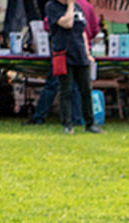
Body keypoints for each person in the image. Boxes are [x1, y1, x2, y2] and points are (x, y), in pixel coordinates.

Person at [44, 0, 99, 133]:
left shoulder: (78, 7)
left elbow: (83, 32)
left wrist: (87, 53)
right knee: (66, 91)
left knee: (86, 90)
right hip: (64, 54)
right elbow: (67, 24)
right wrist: (70, 5)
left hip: (80, 54)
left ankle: (90, 124)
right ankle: (68, 125)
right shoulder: (52, 6)